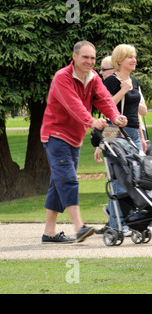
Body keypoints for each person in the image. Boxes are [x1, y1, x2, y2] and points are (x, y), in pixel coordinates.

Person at [40, 40, 128, 244]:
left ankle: (49, 232)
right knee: (68, 179)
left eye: (93, 58)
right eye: (85, 57)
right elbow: (74, 105)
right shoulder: (62, 77)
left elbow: (104, 99)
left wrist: (115, 117)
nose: (90, 61)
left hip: (74, 137)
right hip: (56, 135)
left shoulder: (93, 77)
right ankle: (79, 227)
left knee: (58, 183)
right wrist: (91, 121)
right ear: (75, 57)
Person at [94, 45, 147, 233]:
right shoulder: (111, 82)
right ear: (119, 61)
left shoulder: (135, 81)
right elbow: (106, 108)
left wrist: (141, 137)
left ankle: (132, 221)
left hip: (133, 132)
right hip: (115, 131)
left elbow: (137, 113)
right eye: (129, 57)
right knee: (118, 179)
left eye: (134, 56)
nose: (134, 60)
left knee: (135, 178)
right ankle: (117, 225)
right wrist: (123, 90)